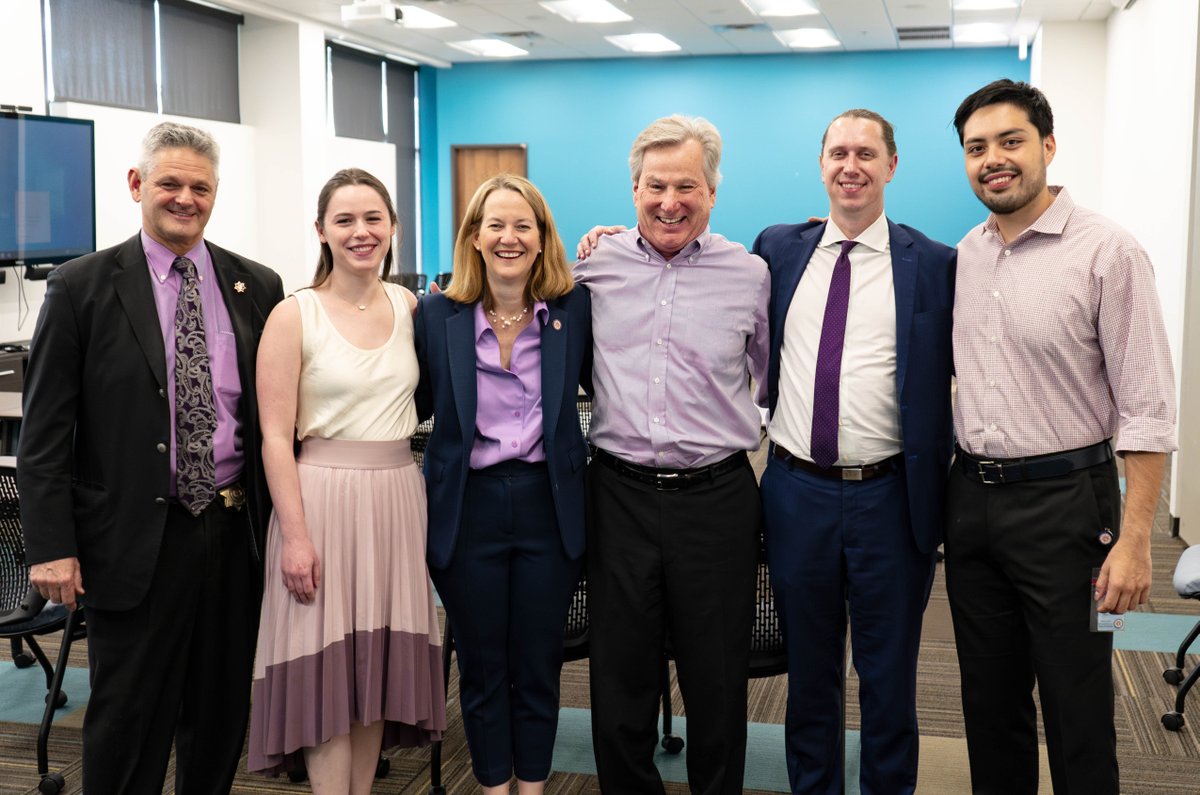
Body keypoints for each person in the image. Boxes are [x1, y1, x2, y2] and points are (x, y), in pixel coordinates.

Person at [17, 121, 284, 794]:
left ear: (215, 194)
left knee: (221, 713)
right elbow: (45, 432)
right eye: (170, 183)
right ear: (137, 185)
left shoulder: (257, 285)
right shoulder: (82, 286)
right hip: (133, 540)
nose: (185, 198)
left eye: (200, 186)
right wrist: (51, 544)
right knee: (129, 718)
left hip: (233, 532)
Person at [947, 79, 1177, 794]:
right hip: (972, 502)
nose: (994, 160)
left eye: (1009, 142)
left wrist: (1137, 538)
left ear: (1047, 146)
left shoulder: (1109, 252)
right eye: (976, 148)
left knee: (1077, 703)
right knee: (989, 703)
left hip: (1069, 508)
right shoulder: (966, 253)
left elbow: (1147, 410)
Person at [750, 109, 955, 794]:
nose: (851, 165)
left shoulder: (933, 263)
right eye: (838, 151)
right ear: (821, 164)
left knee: (889, 674)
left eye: (867, 153)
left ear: (891, 166)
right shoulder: (778, 249)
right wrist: (610, 236)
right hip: (796, 491)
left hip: (889, 496)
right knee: (809, 674)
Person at [575, 114, 770, 794]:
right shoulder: (592, 267)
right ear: (633, 188)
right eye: (654, 186)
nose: (669, 202)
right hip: (618, 496)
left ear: (712, 192)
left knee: (718, 681)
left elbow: (771, 378)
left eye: (686, 186)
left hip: (716, 499)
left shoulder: (750, 274)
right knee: (619, 678)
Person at [247, 168, 445, 791]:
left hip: (395, 496)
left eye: (373, 219)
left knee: (375, 676)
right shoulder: (293, 314)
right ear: (322, 231)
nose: (361, 233)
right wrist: (297, 537)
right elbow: (275, 436)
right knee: (327, 675)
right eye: (345, 221)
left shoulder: (412, 307)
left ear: (393, 227)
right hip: (321, 503)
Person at [413, 173, 590, 793]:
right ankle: (492, 785)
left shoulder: (574, 309)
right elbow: (415, 401)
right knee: (485, 667)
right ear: (475, 237)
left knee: (538, 665)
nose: (509, 237)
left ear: (542, 239)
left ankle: (534, 786)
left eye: (524, 225)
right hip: (469, 508)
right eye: (496, 225)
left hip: (550, 505)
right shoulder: (437, 314)